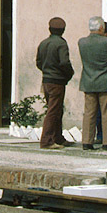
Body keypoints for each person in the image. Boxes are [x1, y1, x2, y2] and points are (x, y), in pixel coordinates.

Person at [77, 16, 107, 151]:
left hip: (88, 81)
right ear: (101, 28)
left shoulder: (82, 42)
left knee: (89, 113)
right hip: (106, 82)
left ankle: (87, 141)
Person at [35, 17, 74, 149]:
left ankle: (58, 137)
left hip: (46, 80)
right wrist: (69, 74)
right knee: (53, 110)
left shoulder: (43, 43)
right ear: (63, 30)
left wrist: (46, 71)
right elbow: (64, 62)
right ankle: (47, 140)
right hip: (57, 81)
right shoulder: (61, 44)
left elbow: (38, 62)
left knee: (56, 109)